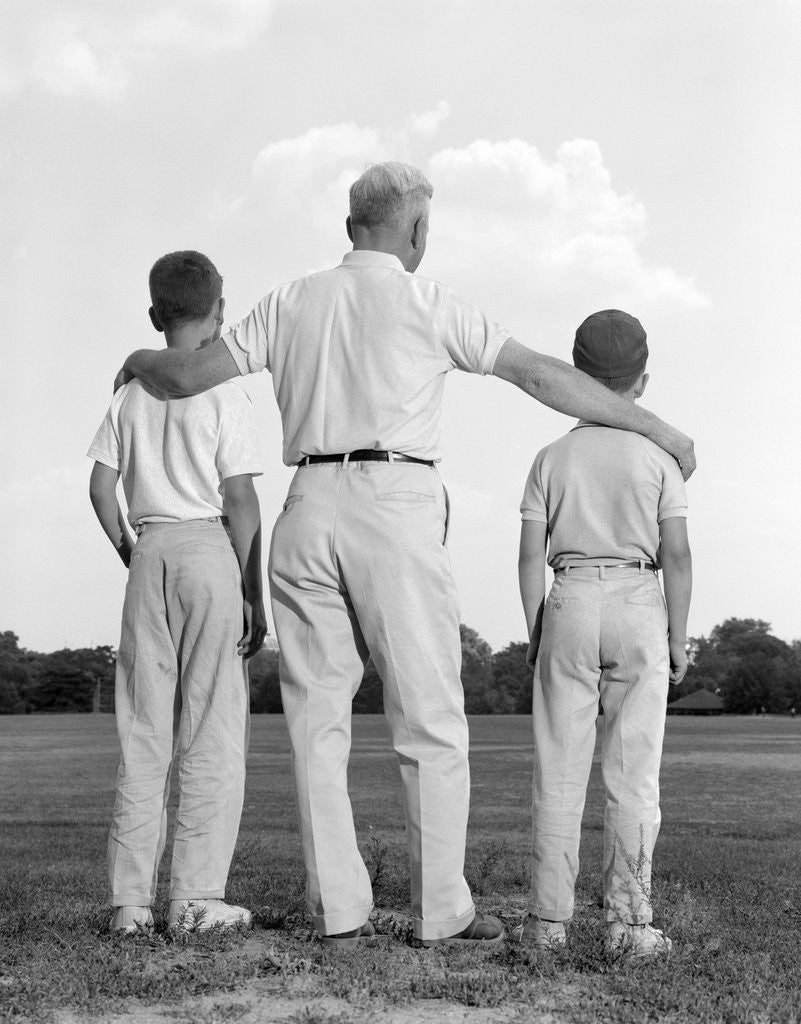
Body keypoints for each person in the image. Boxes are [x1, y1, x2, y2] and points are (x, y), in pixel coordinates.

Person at [113, 163, 695, 949]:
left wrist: (138, 361)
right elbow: (538, 377)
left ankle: (339, 909)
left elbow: (182, 373)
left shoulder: (290, 300)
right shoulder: (429, 303)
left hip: (307, 505)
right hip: (395, 504)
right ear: (415, 229)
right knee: (427, 717)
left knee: (318, 722)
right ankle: (439, 910)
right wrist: (657, 429)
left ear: (352, 222)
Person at [89, 251, 267, 934]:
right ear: (220, 312)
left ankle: (129, 905)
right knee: (213, 729)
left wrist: (129, 549)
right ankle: (195, 898)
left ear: (154, 316)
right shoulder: (225, 391)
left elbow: (101, 489)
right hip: (209, 551)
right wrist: (254, 590)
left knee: (143, 732)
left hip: (151, 550)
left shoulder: (129, 394)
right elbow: (241, 500)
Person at [516, 309, 692, 956]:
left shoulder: (550, 457)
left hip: (568, 597)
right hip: (639, 598)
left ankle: (546, 924)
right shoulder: (657, 457)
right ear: (640, 381)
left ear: (575, 375)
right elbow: (676, 554)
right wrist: (677, 637)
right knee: (632, 772)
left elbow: (527, 554)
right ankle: (627, 923)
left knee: (558, 770)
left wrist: (535, 630)